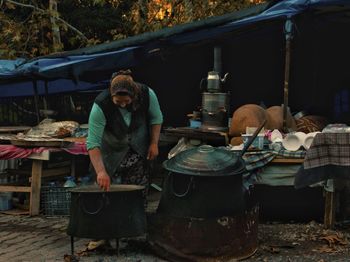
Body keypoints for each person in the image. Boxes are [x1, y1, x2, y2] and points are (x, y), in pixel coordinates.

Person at [86, 69, 163, 201]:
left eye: (126, 101)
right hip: (111, 154)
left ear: (134, 95)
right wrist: (100, 171)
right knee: (109, 196)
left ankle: (137, 219)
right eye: (117, 102)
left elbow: (156, 119)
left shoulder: (147, 94)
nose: (122, 104)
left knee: (137, 194)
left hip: (138, 151)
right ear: (111, 95)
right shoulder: (101, 104)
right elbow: (93, 142)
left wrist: (154, 143)